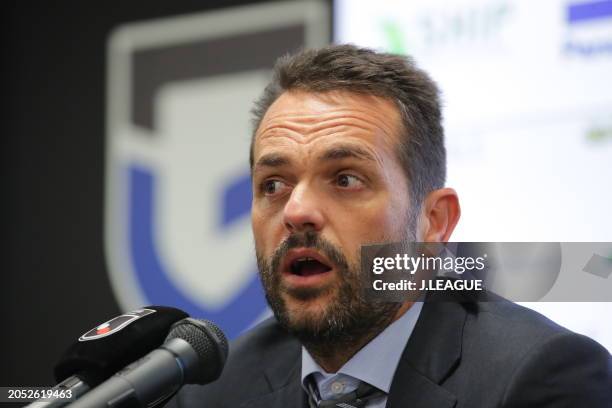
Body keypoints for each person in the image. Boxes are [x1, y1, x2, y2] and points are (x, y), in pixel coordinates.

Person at [170, 45, 612, 407]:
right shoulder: (214, 391)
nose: (296, 211)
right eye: (274, 184)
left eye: (345, 179)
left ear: (434, 221)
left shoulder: (539, 376)